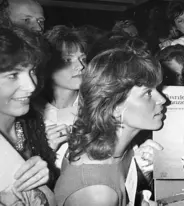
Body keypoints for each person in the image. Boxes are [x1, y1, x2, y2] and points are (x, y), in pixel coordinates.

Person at [54, 47, 166, 206]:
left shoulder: (113, 146)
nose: (161, 99)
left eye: (157, 89)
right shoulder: (98, 194)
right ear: (114, 106)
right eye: (147, 93)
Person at [0, 26, 57, 197]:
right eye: (13, 75)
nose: (31, 86)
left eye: (32, 71)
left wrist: (44, 175)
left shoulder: (31, 122)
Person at [42, 25, 87, 169]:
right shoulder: (29, 113)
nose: (80, 66)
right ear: (47, 65)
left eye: (83, 59)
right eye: (68, 60)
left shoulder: (97, 106)